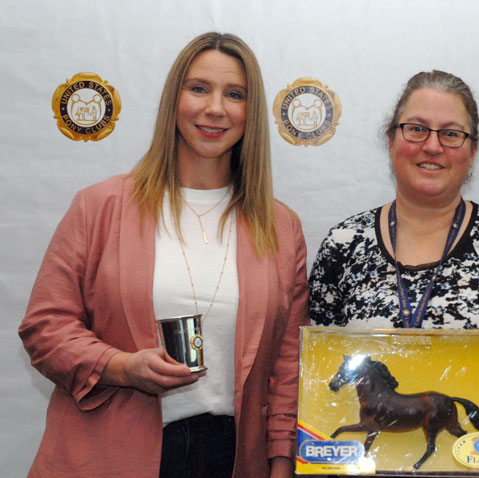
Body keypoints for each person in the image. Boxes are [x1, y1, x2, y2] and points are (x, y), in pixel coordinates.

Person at [19, 32, 308, 478]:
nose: (216, 108)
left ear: (251, 113)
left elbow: (288, 364)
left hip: (233, 458)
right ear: (174, 99)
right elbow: (45, 327)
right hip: (110, 454)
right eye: (198, 89)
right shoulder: (100, 207)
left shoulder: (280, 226)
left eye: (235, 94)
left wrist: (282, 461)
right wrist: (121, 366)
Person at [308, 70, 479, 478]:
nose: (432, 146)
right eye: (416, 129)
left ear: (473, 149)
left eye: (451, 134)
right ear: (391, 139)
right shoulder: (344, 244)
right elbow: (316, 360)